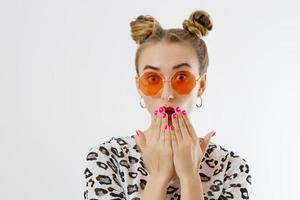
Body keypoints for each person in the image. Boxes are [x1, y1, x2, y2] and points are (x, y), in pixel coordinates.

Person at [83, 10, 252, 200]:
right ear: (139, 86)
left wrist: (190, 177)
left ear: (201, 85)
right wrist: (158, 177)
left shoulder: (231, 167)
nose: (167, 94)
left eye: (181, 78)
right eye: (153, 79)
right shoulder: (108, 158)